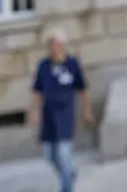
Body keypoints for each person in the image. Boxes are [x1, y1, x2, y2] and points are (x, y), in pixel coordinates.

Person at [29, 29, 94, 192]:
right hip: (48, 116)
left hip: (65, 115)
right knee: (50, 155)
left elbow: (83, 89)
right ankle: (69, 173)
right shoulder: (44, 66)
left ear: (62, 45)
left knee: (64, 154)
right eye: (49, 44)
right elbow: (37, 90)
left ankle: (67, 188)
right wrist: (34, 111)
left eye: (54, 44)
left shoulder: (72, 64)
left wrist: (87, 110)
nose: (51, 47)